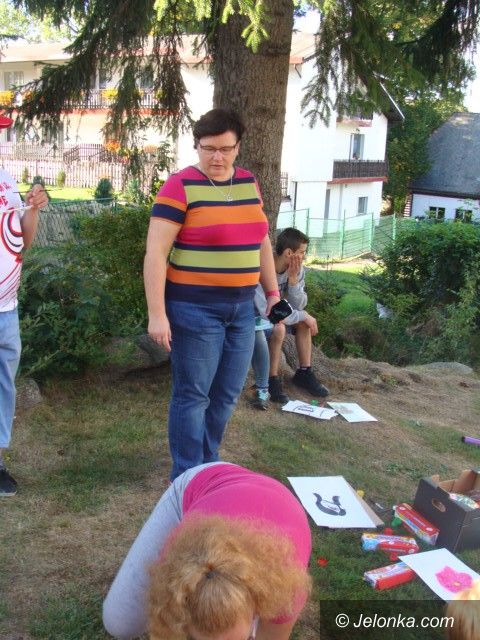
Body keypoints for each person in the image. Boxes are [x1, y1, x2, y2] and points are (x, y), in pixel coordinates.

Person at [144, 108, 280, 481]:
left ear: (238, 147)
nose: (216, 157)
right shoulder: (180, 186)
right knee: (193, 395)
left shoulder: (249, 182)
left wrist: (271, 292)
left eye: (225, 149)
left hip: (242, 310)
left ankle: (208, 461)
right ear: (197, 146)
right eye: (208, 149)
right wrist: (157, 313)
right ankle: (187, 476)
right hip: (194, 309)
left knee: (227, 393)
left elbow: (261, 241)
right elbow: (156, 253)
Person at [103, 462, 312, 640]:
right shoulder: (181, 554)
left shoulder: (287, 586)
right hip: (205, 483)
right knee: (119, 624)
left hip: (270, 503)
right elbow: (163, 624)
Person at [0, 113, 49, 496]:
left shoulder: (5, 180)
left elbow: (23, 243)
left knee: (4, 387)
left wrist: (31, 210)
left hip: (7, 308)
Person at [252, 227, 329, 405]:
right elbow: (268, 312)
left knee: (304, 323)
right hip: (259, 319)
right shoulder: (263, 267)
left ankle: (304, 372)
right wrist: (303, 315)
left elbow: (300, 305)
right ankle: (272, 379)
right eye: (301, 252)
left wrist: (293, 283)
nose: (304, 257)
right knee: (280, 327)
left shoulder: (296, 269)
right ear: (289, 253)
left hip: (280, 316)